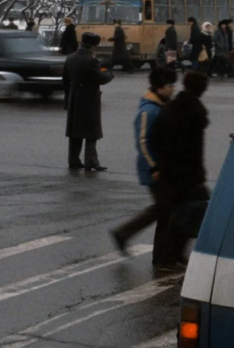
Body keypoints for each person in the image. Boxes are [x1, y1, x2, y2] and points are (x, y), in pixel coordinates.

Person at [111, 67, 179, 270]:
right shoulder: (149, 110)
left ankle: (159, 256)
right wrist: (153, 166)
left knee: (165, 210)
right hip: (154, 169)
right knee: (165, 208)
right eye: (170, 86)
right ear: (159, 87)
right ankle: (126, 234)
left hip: (163, 167)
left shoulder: (161, 106)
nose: (173, 89)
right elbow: (143, 142)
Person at [151, 71, 211, 275]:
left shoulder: (170, 108)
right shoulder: (195, 112)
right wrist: (199, 178)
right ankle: (170, 256)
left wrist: (159, 165)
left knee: (175, 213)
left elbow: (156, 138)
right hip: (187, 175)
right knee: (190, 213)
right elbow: (195, 150)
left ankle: (171, 255)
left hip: (168, 171)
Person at [63, 32, 115, 171]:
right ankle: (91, 161)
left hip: (74, 98)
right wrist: (109, 74)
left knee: (75, 132)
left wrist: (67, 99)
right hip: (88, 99)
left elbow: (65, 81)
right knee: (91, 132)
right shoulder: (91, 60)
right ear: (92, 46)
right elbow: (100, 78)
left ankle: (73, 160)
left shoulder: (70, 58)